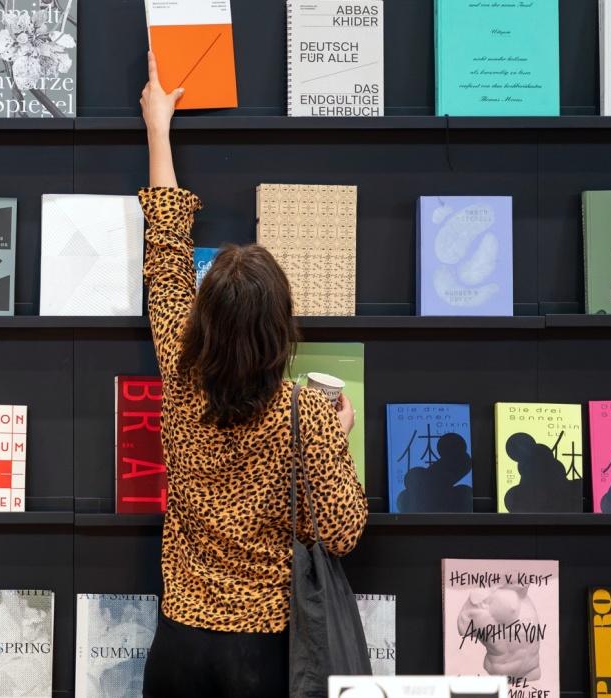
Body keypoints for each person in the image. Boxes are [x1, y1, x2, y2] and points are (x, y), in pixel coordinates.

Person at [137, 52, 369, 698]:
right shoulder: (307, 417)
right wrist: (340, 436)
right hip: (264, 660)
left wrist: (159, 129)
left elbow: (165, 256)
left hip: (177, 647)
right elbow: (344, 530)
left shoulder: (180, 380)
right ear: (281, 332)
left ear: (203, 321)